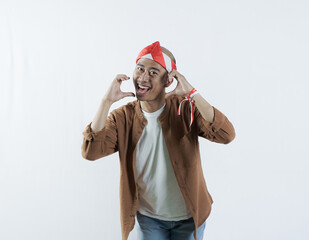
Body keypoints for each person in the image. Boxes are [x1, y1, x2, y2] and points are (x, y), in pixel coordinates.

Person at [81, 41, 235, 240]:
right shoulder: (123, 117)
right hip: (149, 218)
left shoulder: (185, 109)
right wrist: (106, 102)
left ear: (168, 81)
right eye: (140, 69)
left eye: (153, 72)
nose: (143, 78)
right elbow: (90, 152)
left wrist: (192, 93)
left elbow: (226, 134)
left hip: (189, 216)